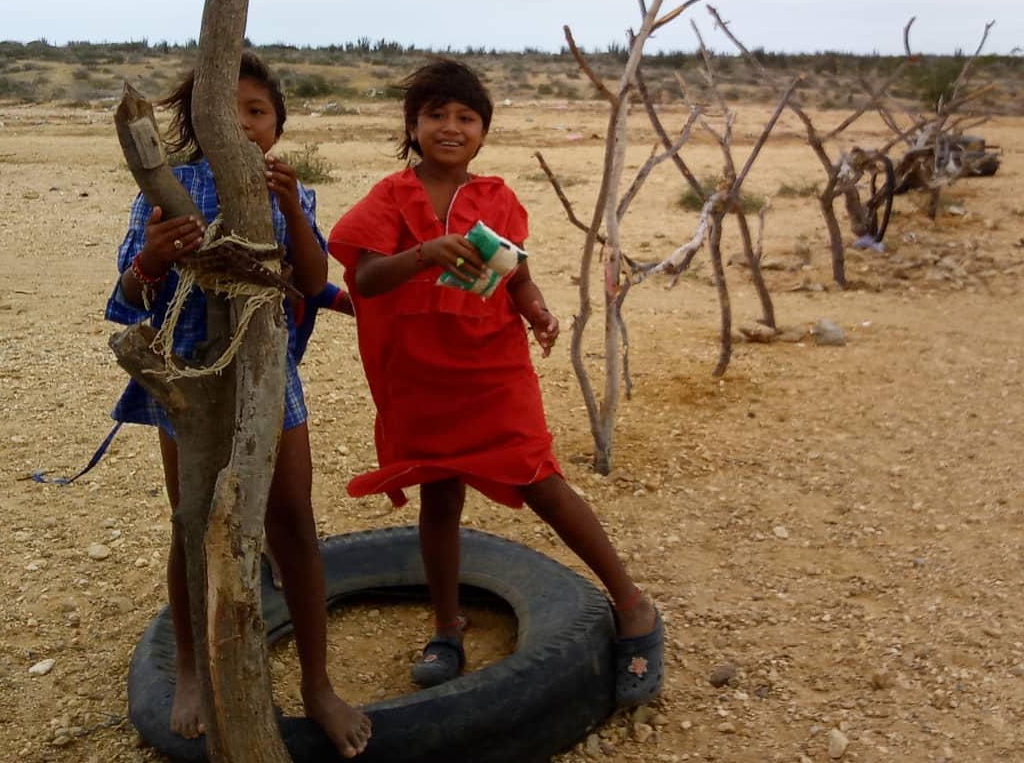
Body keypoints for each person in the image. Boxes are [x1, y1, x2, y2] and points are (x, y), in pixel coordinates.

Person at [328, 59, 663, 706]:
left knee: (541, 481)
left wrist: (535, 307)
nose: (450, 127)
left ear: (481, 131)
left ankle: (633, 605)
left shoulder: (497, 199)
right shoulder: (388, 198)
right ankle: (447, 628)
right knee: (439, 498)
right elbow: (364, 281)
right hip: (420, 376)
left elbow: (515, 272)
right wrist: (423, 254)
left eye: (465, 117)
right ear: (413, 125)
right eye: (436, 115)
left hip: (490, 368)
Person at [105, 53, 371, 758]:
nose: (241, 123)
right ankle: (191, 669)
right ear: (195, 122)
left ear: (277, 125)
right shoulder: (163, 188)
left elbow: (313, 282)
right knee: (192, 519)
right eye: (223, 110)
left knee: (292, 522)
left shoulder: (293, 190)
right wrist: (155, 258)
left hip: (266, 376)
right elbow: (127, 297)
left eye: (256, 110)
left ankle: (316, 685)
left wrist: (287, 207)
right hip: (188, 381)